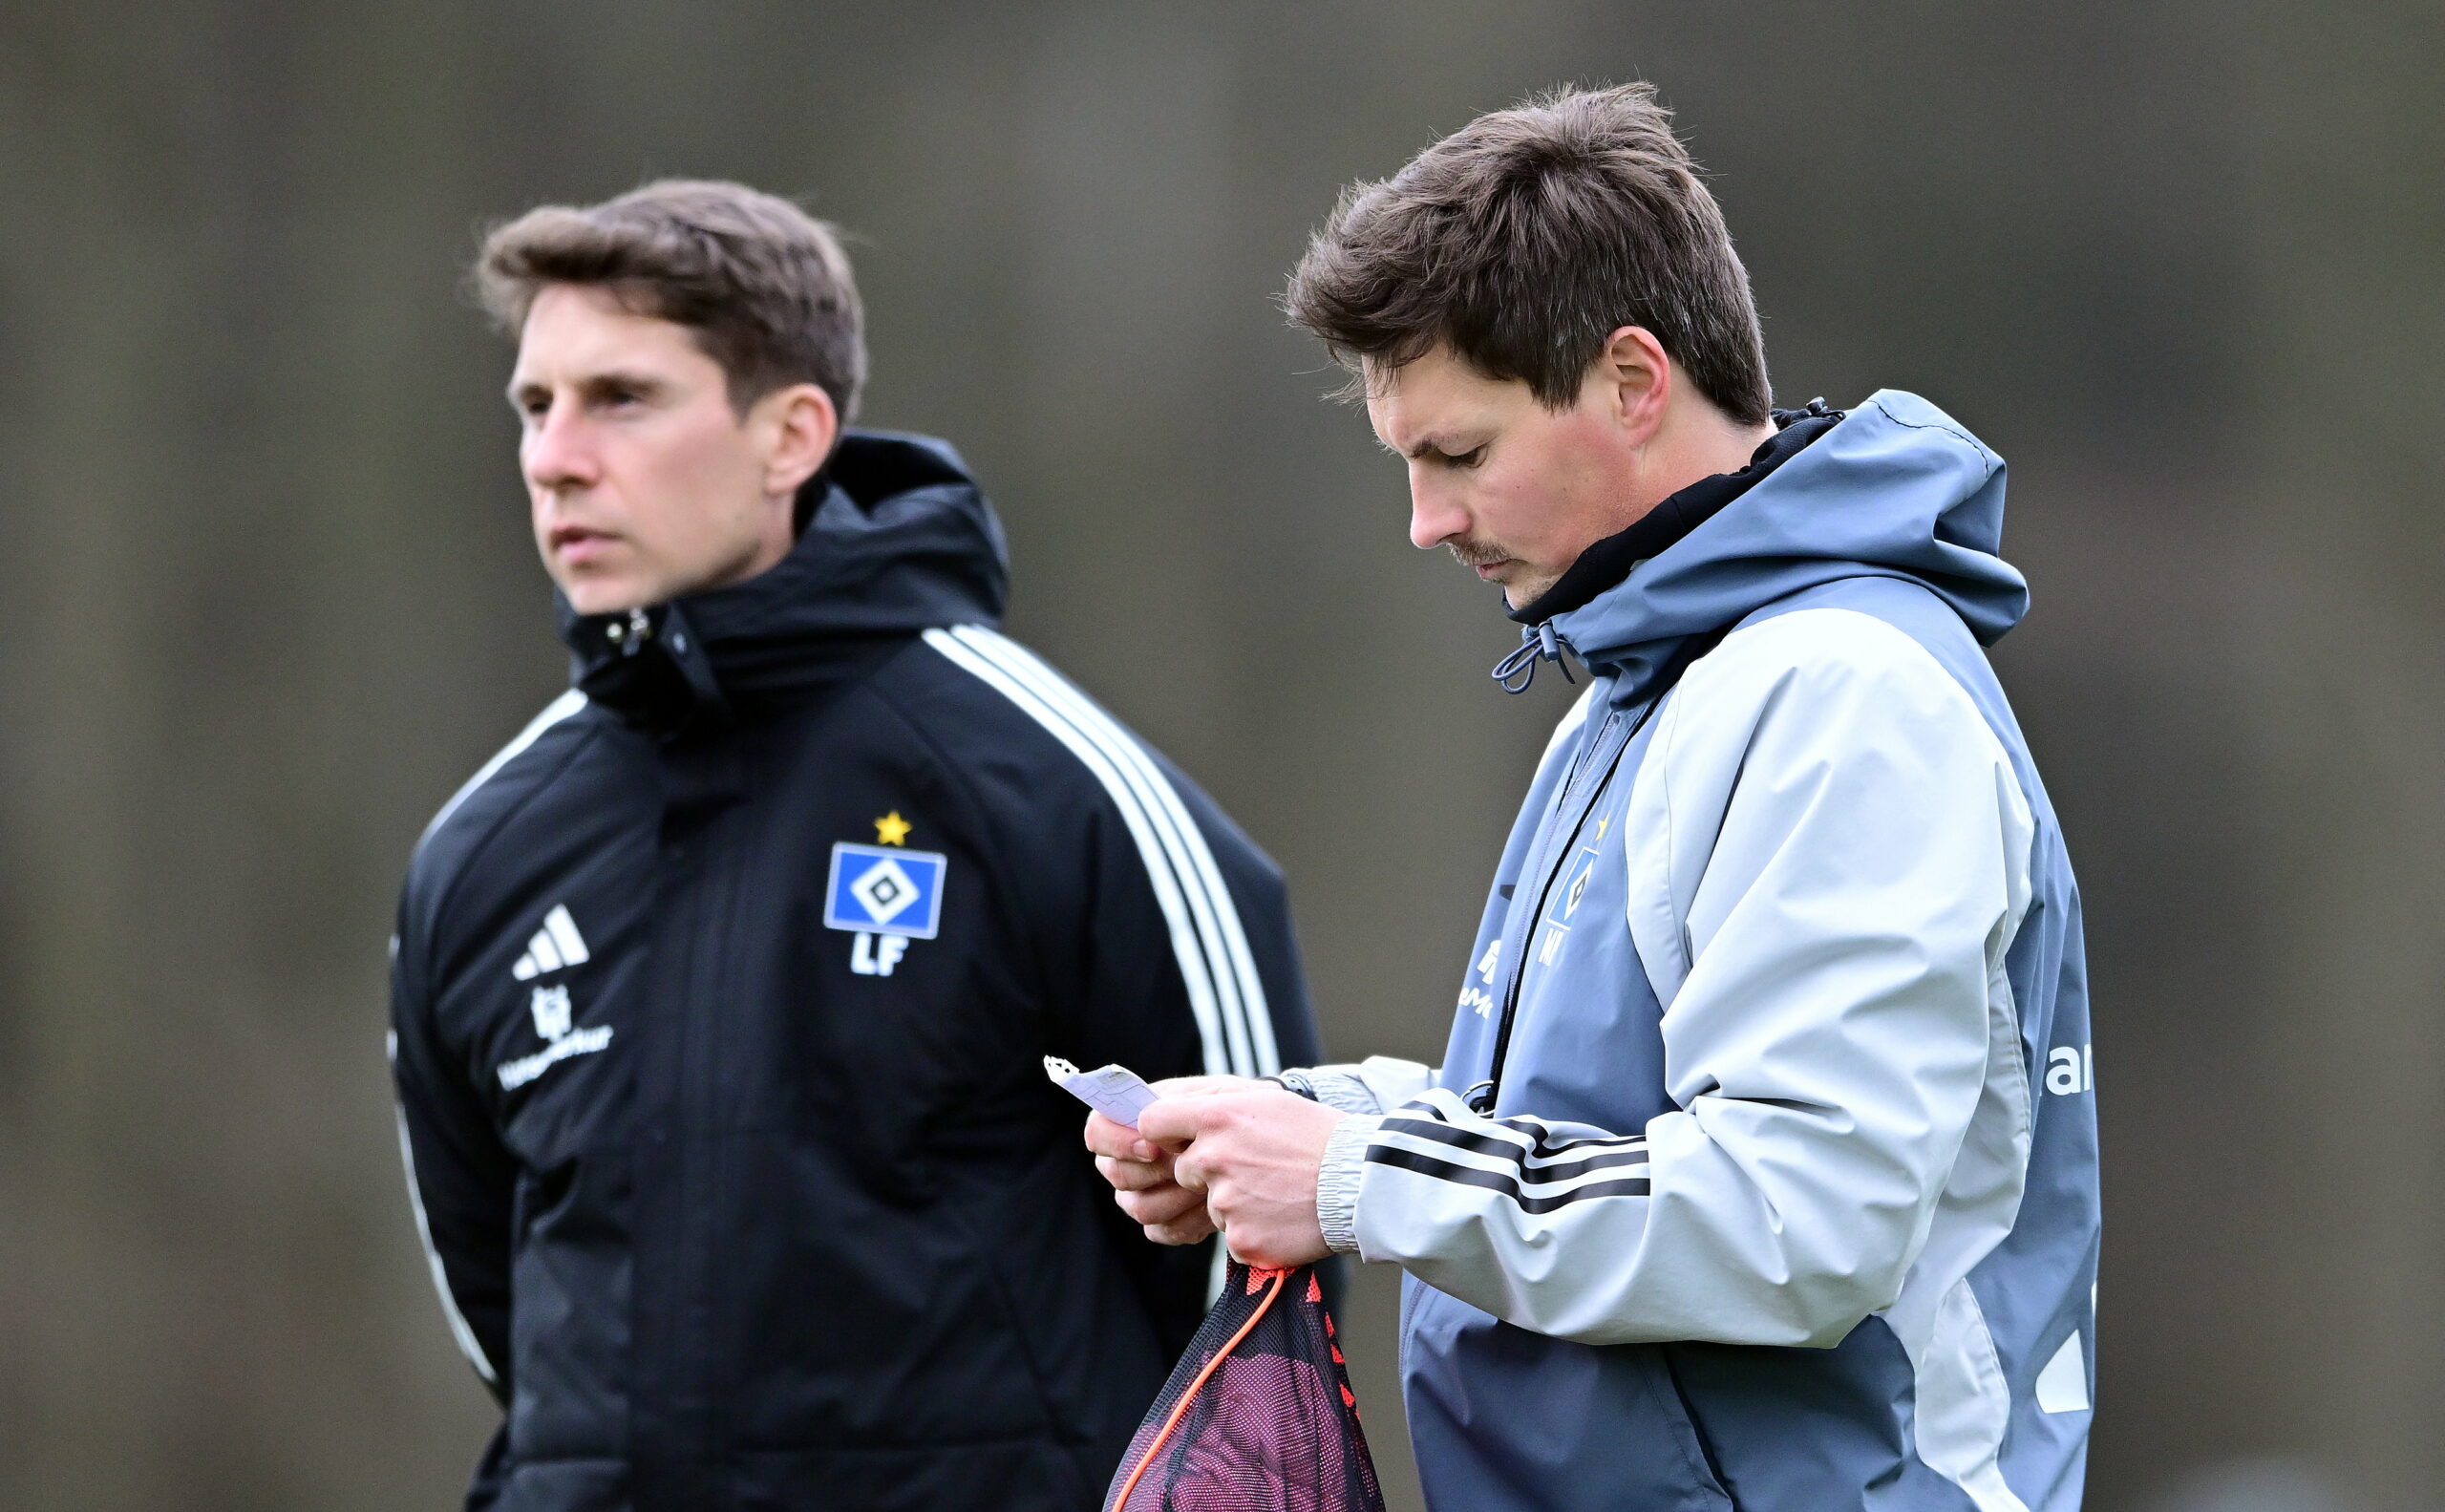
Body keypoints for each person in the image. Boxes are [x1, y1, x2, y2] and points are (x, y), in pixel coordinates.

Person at [1087, 84, 2097, 1512]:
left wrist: (1360, 1173)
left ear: (1634, 380)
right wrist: (1300, 1121)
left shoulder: (1842, 693)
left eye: (1462, 454)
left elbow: (1799, 1215)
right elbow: (1574, 1128)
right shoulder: (1642, 686)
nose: (1427, 522)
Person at [387, 180, 1322, 1512]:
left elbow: (1260, 1269)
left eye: (623, 398)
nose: (555, 456)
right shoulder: (481, 850)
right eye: (536, 406)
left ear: (792, 436)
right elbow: (504, 1308)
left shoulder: (1056, 790)